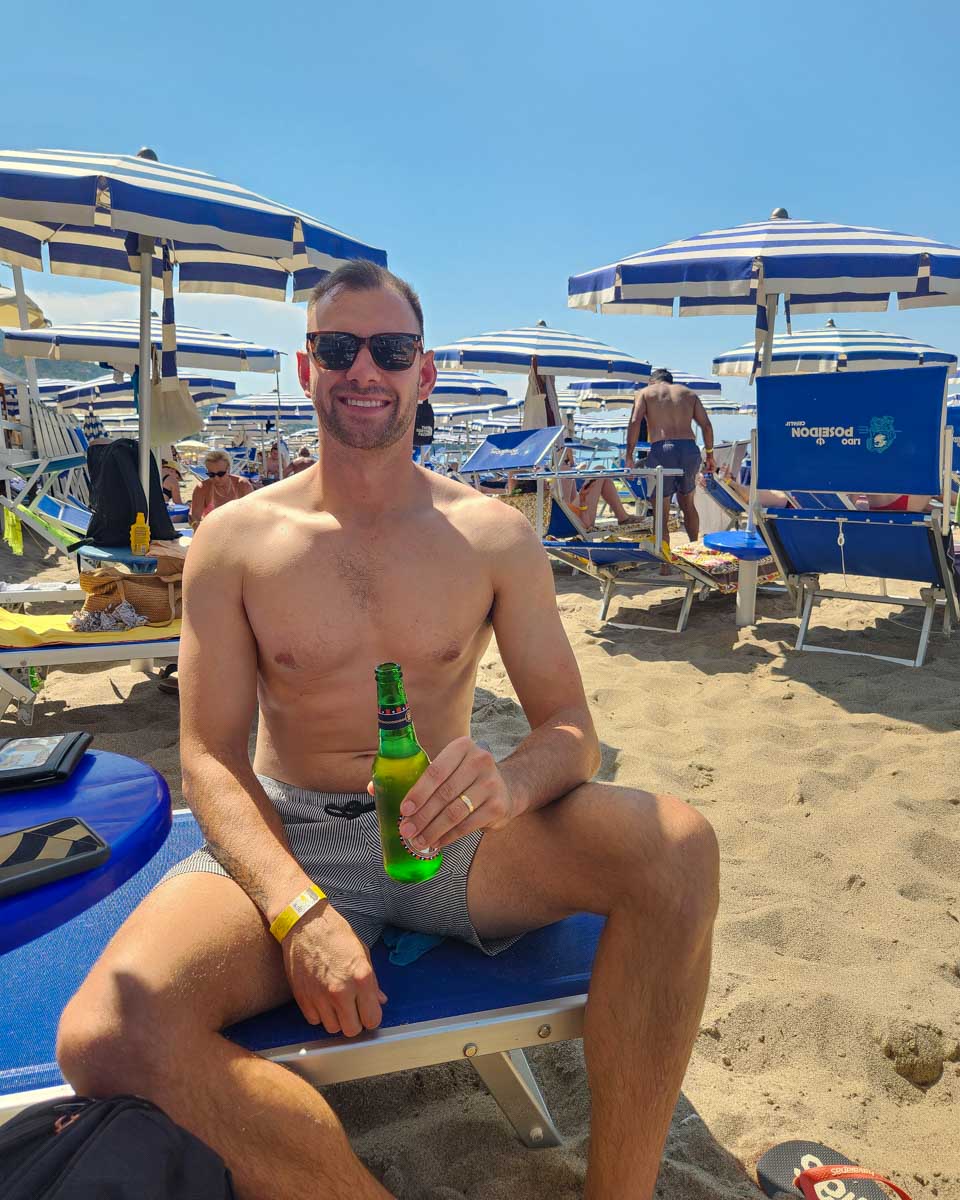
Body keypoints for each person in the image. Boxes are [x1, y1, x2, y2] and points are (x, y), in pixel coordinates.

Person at [57, 261, 719, 1200]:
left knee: (679, 848)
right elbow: (207, 755)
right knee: (106, 1035)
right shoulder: (237, 541)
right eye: (340, 348)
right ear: (306, 368)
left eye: (392, 349)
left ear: (425, 371)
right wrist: (297, 910)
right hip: (293, 836)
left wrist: (513, 784)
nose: (365, 369)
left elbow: (571, 727)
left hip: (451, 838)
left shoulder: (491, 536)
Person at [626, 369, 716, 542]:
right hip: (689, 449)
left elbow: (634, 421)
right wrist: (710, 455)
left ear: (652, 381)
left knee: (660, 510)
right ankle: (693, 550)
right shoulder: (688, 393)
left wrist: (629, 456)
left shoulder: (645, 393)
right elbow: (706, 426)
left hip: (662, 449)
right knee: (688, 503)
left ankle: (665, 566)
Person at [189, 450, 254, 528]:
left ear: (228, 469)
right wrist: (196, 526)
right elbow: (194, 517)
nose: (216, 478)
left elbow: (252, 514)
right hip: (212, 530)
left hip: (239, 530)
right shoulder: (202, 488)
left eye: (220, 474)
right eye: (211, 474)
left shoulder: (242, 485)